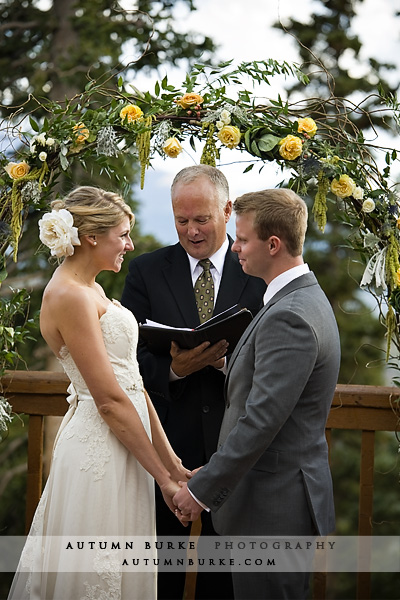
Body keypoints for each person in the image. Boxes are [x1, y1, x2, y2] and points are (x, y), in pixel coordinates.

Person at [8, 186, 190, 600]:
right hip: (99, 453)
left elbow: (133, 384)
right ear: (91, 237)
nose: (129, 244)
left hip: (128, 447)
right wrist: (162, 479)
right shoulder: (69, 295)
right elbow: (108, 400)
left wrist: (173, 464)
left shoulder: (92, 287)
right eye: (123, 234)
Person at [173, 188, 341, 600]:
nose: (235, 250)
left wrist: (200, 489)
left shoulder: (290, 316)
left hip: (274, 509)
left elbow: (263, 419)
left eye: (243, 240)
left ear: (273, 244)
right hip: (273, 502)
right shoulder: (297, 299)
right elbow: (276, 383)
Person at [121, 165, 266, 599]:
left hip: (233, 449)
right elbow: (127, 362)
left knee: (223, 581)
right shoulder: (146, 270)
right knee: (158, 575)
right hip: (165, 454)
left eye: (201, 219)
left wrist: (224, 365)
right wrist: (173, 370)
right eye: (181, 220)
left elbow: (274, 358)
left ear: (226, 210)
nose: (192, 231)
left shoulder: (258, 270)